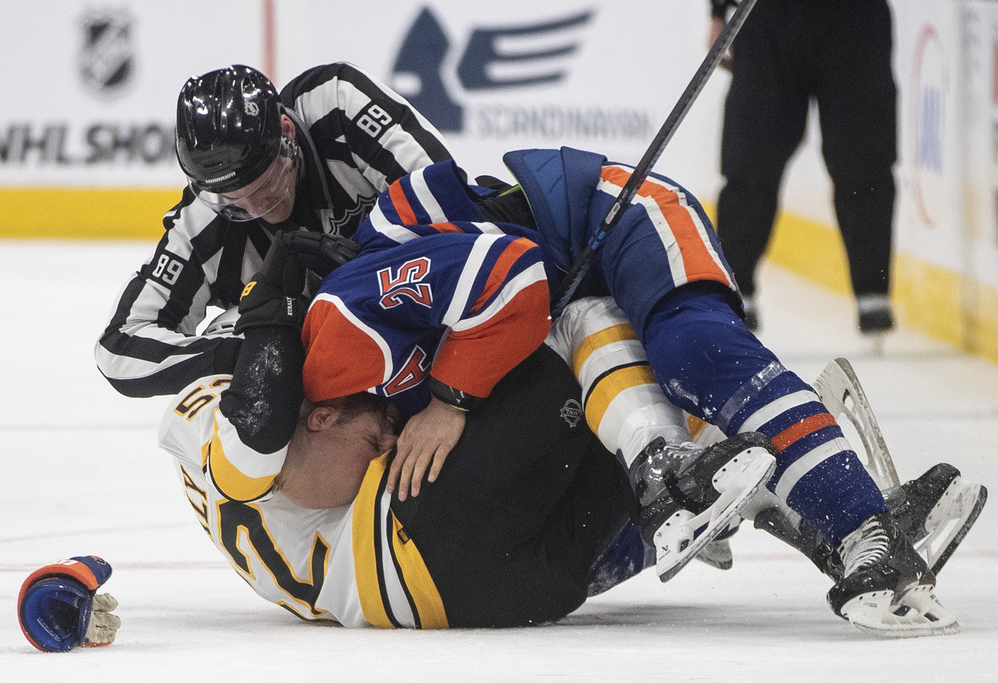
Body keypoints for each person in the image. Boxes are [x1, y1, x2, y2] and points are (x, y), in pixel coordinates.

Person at [274, 147, 960, 633]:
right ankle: (812, 507)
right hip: (571, 299)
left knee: (692, 348)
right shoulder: (378, 354)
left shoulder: (364, 291)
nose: (386, 444)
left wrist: (452, 402)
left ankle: (865, 527)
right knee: (606, 510)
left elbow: (520, 275)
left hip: (625, 213)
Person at [159, 292, 979, 633]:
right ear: (320, 410)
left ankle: (851, 543)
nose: (392, 435)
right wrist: (274, 305)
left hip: (520, 595)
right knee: (572, 312)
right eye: (379, 432)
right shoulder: (224, 416)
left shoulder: (276, 496)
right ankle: (689, 473)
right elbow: (257, 418)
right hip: (430, 534)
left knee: (622, 436)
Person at [95, 62, 452, 397]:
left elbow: (453, 212)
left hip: (434, 326)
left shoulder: (338, 109)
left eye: (262, 186)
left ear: (287, 134)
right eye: (230, 200)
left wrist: (358, 271)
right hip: (335, 390)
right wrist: (248, 352)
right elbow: (120, 347)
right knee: (246, 330)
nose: (253, 208)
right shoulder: (201, 221)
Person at [709, 0, 898, 334]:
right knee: (750, 161)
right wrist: (718, 10)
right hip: (768, 18)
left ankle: (873, 292)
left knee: (864, 161)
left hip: (855, 19)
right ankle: (735, 288)